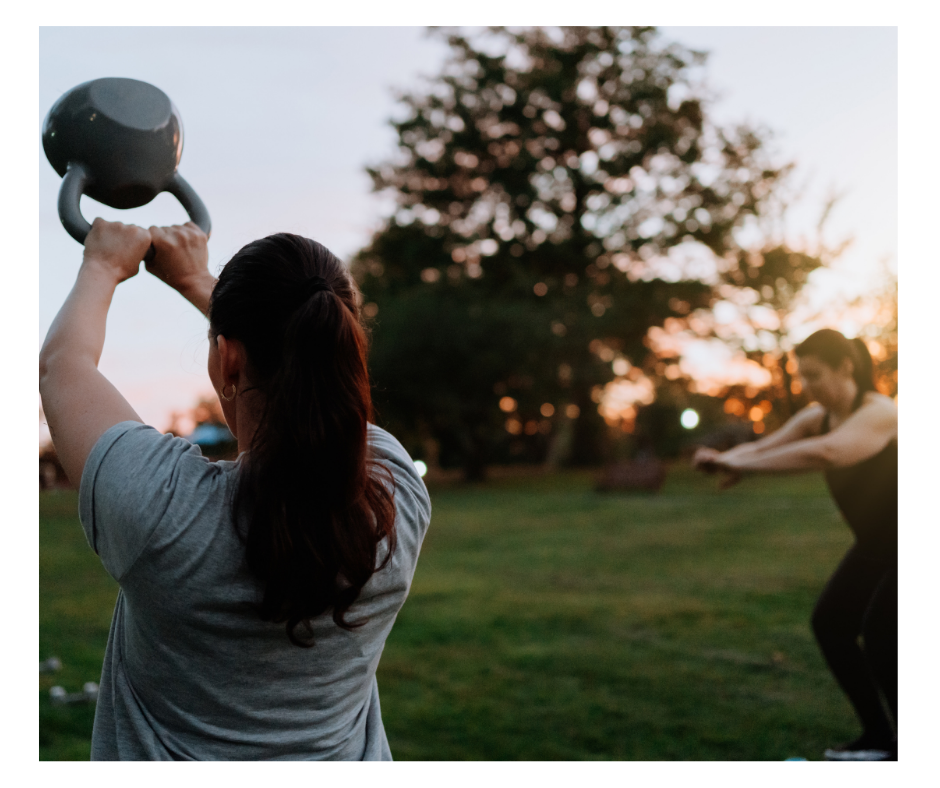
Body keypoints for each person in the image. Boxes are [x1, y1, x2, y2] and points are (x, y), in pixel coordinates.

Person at [39, 219, 432, 760]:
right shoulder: (396, 498)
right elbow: (315, 373)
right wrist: (201, 281)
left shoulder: (159, 508)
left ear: (228, 359)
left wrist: (102, 265)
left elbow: (64, 366)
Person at [692, 329, 897, 761]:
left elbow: (827, 453)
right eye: (804, 377)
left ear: (846, 367)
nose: (809, 387)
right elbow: (765, 446)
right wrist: (726, 461)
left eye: (816, 375)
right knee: (831, 624)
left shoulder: (880, 412)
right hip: (875, 545)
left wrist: (738, 464)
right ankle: (880, 738)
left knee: (882, 633)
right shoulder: (815, 416)